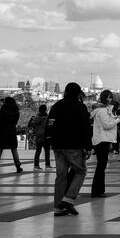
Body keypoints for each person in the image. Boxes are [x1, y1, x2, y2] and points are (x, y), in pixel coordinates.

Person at [48, 82, 92, 216]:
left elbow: (50, 123)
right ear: (78, 93)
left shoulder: (57, 105)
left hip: (58, 145)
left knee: (61, 176)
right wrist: (88, 146)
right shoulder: (80, 107)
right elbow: (85, 127)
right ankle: (68, 199)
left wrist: (50, 139)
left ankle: (58, 207)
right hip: (74, 145)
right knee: (80, 171)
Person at [90, 90, 120, 197]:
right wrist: (118, 120)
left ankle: (98, 190)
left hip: (102, 139)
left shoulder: (102, 110)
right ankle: (97, 191)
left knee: (101, 166)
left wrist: (116, 118)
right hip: (102, 140)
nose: (110, 99)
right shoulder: (102, 110)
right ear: (104, 98)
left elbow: (107, 121)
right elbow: (106, 125)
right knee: (101, 166)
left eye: (110, 97)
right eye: (108, 97)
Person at [0, 95, 24, 173]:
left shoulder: (3, 110)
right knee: (14, 149)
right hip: (12, 132)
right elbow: (15, 122)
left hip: (2, 132)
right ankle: (18, 166)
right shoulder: (16, 112)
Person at [28, 103, 52, 170]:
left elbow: (32, 125)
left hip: (38, 136)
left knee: (38, 151)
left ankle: (36, 166)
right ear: (45, 110)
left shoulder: (35, 117)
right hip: (45, 136)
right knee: (47, 151)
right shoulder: (47, 118)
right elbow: (48, 127)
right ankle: (47, 165)